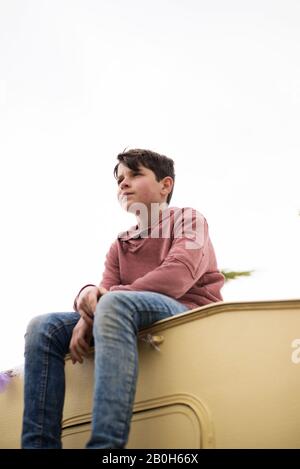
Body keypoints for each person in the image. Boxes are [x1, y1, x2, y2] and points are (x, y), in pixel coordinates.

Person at [21, 148, 225, 449]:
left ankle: (105, 447)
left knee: (114, 303)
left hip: (187, 310)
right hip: (125, 311)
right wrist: (87, 301)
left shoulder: (190, 220)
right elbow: (101, 293)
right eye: (119, 179)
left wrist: (101, 302)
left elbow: (178, 275)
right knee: (43, 326)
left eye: (135, 174)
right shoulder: (121, 244)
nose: (123, 184)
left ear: (165, 185)